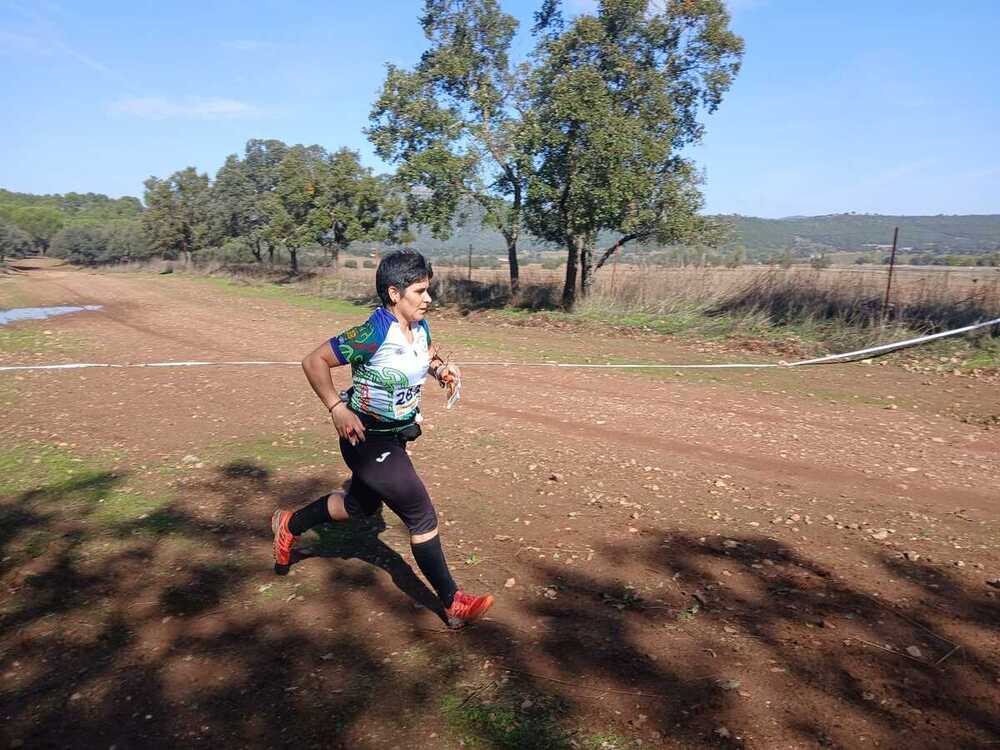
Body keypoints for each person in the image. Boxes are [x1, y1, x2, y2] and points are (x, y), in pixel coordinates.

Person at [270, 249, 494, 629]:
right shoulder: (373, 333)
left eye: (429, 290)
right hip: (366, 439)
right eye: (420, 291)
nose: (429, 299)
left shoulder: (419, 327)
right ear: (394, 293)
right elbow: (314, 362)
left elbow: (427, 352)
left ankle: (289, 525)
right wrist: (336, 408)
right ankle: (453, 602)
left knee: (358, 507)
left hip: (396, 436)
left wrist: (440, 370)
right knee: (420, 513)